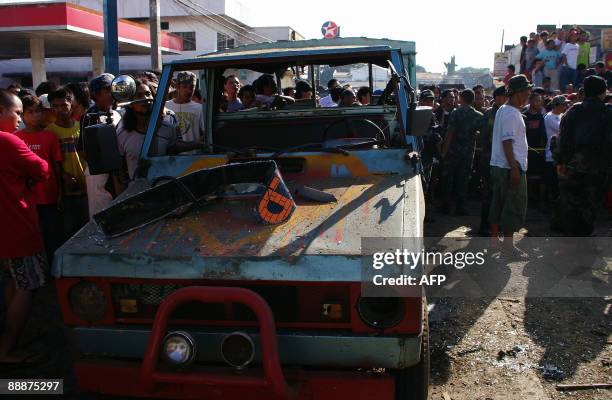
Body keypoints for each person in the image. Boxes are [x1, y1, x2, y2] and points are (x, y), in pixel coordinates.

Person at [0, 89, 49, 364]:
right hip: (15, 226)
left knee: (14, 280)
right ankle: (6, 350)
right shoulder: (8, 142)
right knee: (27, 285)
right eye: (16, 113)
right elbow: (42, 169)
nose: (19, 120)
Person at [553, 75, 612, 236]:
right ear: (602, 92)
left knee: (573, 203)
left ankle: (574, 237)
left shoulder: (573, 110)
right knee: (592, 205)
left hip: (574, 165)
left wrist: (560, 162)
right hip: (600, 168)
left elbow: (563, 139)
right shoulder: (608, 112)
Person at [116, 79, 202, 183]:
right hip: (136, 191)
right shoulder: (122, 132)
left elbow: (174, 149)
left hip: (165, 186)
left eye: (148, 94)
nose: (145, 99)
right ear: (130, 103)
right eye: (139, 96)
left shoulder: (168, 124)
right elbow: (118, 169)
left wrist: (200, 144)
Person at [15, 95, 62, 264]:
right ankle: (39, 267)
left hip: (48, 194)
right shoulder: (16, 138)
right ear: (22, 115)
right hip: (26, 197)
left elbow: (56, 167)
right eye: (30, 112)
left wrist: (60, 192)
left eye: (38, 111)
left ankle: (53, 267)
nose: (36, 116)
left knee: (52, 234)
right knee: (33, 234)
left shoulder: (50, 137)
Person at [489, 75, 532, 258]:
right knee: (512, 205)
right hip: (509, 167)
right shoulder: (511, 113)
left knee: (498, 202)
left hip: (501, 165)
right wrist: (514, 168)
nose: (528, 96)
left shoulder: (503, 110)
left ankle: (494, 240)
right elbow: (507, 142)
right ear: (518, 93)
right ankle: (508, 245)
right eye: (527, 92)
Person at [47, 88, 88, 240]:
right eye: (55, 106)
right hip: (66, 193)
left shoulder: (82, 127)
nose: (59, 110)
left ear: (71, 105)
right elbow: (49, 162)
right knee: (69, 234)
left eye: (63, 105)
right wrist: (63, 176)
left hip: (87, 187)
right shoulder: (49, 132)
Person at [80, 74, 120, 217]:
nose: (113, 93)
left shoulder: (118, 113)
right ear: (96, 94)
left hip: (117, 173)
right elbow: (85, 150)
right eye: (108, 90)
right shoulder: (90, 116)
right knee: (102, 215)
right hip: (100, 175)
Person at [439, 89, 483, 215]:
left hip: (453, 151)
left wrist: (444, 152)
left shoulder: (455, 113)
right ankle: (460, 207)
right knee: (463, 180)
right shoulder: (478, 115)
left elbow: (449, 133)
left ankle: (446, 206)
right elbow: (482, 134)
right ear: (473, 99)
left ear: (461, 99)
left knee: (448, 178)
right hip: (469, 152)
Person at [476, 86, 507, 236]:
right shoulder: (489, 114)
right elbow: (482, 137)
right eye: (504, 96)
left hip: (502, 160)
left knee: (501, 194)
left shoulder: (506, 113)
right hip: (489, 159)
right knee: (489, 194)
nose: (506, 99)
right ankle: (484, 226)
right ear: (497, 98)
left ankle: (496, 225)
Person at [166, 71, 205, 142]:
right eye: (185, 87)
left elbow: (206, 134)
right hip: (171, 153)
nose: (189, 90)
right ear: (178, 87)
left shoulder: (199, 108)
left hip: (194, 153)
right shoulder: (166, 106)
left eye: (192, 87)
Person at [523, 92, 547, 209]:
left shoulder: (540, 116)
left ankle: (539, 201)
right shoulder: (524, 116)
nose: (539, 103)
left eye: (540, 100)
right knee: (528, 176)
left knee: (539, 177)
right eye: (536, 100)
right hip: (527, 150)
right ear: (530, 101)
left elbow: (543, 134)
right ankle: (526, 199)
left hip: (539, 150)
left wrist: (543, 148)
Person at [543, 95, 568, 203]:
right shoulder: (549, 117)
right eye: (563, 104)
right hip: (551, 154)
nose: (565, 106)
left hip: (561, 154)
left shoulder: (562, 115)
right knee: (552, 182)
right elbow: (562, 130)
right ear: (557, 105)